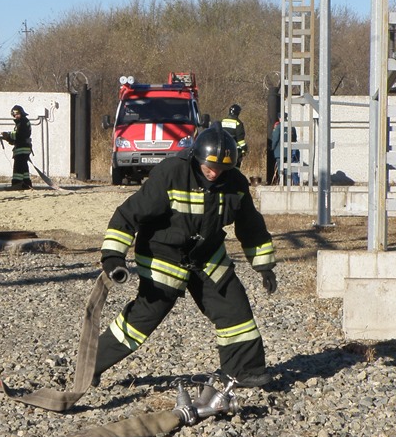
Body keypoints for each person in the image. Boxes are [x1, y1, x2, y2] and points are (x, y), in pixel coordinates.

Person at [95, 126, 278, 388]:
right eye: (209, 167)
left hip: (207, 256)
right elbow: (128, 215)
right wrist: (113, 256)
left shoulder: (235, 184)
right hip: (164, 256)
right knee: (142, 320)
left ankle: (242, 370)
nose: (214, 173)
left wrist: (265, 265)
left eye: (221, 169)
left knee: (235, 309)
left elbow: (251, 227)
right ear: (196, 158)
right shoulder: (172, 173)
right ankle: (90, 364)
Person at [0, 105, 33, 189]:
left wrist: (8, 135)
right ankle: (26, 184)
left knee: (18, 167)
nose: (16, 116)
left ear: (21, 113)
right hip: (23, 147)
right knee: (24, 167)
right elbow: (19, 136)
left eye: (17, 114)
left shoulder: (23, 122)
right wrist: (9, 139)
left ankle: (17, 184)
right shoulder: (22, 122)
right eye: (14, 114)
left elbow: (19, 135)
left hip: (22, 148)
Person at [270, 119, 300, 186]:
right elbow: (294, 139)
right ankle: (287, 183)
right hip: (289, 151)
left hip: (279, 152)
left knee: (280, 167)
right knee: (287, 167)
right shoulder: (292, 127)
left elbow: (275, 139)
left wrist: (272, 148)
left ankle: (281, 182)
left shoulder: (278, 126)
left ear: (280, 118)